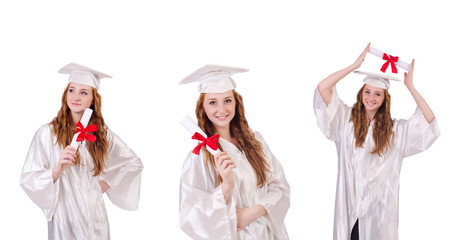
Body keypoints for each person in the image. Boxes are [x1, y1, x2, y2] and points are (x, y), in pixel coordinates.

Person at [314, 44, 440, 240]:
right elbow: (323, 87)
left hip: (379, 218)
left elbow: (429, 121)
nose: (371, 98)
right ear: (361, 93)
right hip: (349, 211)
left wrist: (410, 87)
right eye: (367, 92)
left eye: (377, 94)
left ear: (384, 100)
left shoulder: (395, 131)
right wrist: (354, 65)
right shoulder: (345, 122)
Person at [20, 63, 144, 240]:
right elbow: (28, 178)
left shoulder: (101, 134)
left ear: (93, 99)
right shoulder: (48, 133)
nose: (76, 96)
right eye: (72, 90)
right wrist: (57, 169)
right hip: (64, 216)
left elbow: (132, 163)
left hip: (94, 217)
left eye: (83, 92)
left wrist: (100, 187)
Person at [178, 65, 290, 240]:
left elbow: (280, 187)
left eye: (228, 100)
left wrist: (253, 212)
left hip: (270, 235)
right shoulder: (200, 156)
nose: (222, 110)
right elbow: (192, 215)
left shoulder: (255, 141)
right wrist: (226, 185)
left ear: (236, 102)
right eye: (213, 102)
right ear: (203, 107)